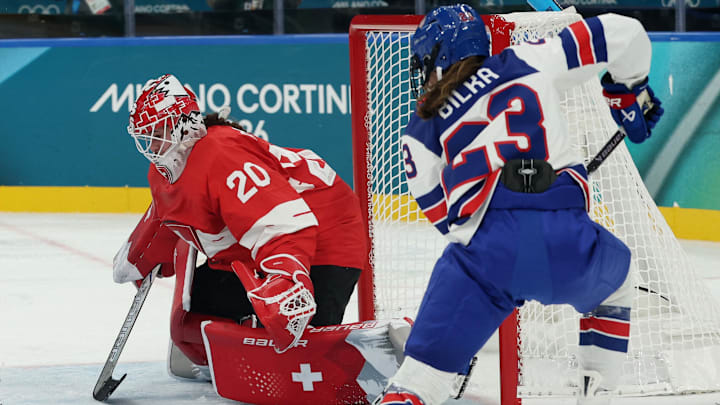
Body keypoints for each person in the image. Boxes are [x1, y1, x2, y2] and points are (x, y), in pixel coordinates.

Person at [374, 5, 664, 405]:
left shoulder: (420, 128)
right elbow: (626, 31)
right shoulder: (530, 57)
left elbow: (444, 216)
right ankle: (597, 392)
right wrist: (627, 92)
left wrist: (501, 254)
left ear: (438, 58)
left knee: (420, 376)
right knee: (616, 288)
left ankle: (414, 390)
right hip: (568, 241)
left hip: (485, 257)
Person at [111, 74, 410, 403]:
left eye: (158, 133)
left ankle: (394, 350)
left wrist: (287, 281)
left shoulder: (220, 153)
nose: (152, 146)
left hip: (328, 230)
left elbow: (280, 222)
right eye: (147, 136)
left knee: (296, 332)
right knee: (198, 316)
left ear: (183, 123)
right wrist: (139, 255)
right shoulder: (165, 169)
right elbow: (168, 217)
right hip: (259, 244)